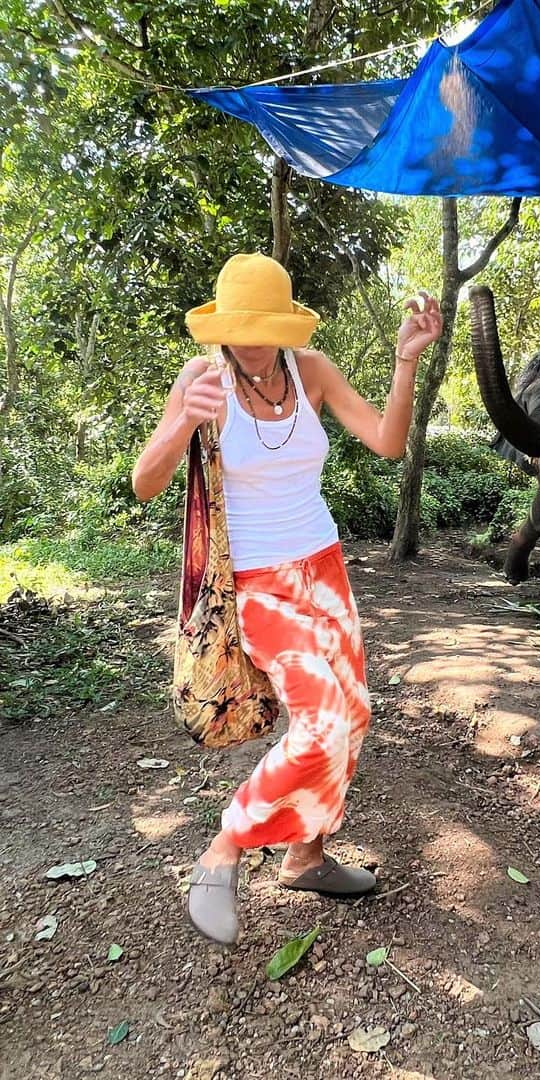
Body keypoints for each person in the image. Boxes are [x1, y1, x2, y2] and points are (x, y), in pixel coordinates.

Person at [132, 253, 442, 945]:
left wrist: (405, 362)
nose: (249, 340)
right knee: (323, 721)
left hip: (324, 568)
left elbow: (388, 443)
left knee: (354, 716)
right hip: (259, 585)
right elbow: (144, 482)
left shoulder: (312, 370)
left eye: (263, 325)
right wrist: (184, 420)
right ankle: (225, 848)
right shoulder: (201, 377)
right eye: (238, 326)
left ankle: (305, 857)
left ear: (285, 325)